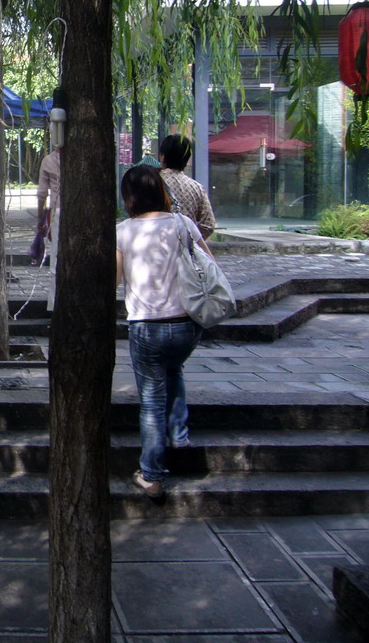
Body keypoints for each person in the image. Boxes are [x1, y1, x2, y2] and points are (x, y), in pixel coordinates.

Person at [116, 164, 211, 499]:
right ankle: (180, 436)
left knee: (152, 400)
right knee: (175, 369)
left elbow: (112, 280)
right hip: (188, 324)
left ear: (128, 196)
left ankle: (153, 475)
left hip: (147, 326)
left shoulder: (124, 231)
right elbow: (208, 265)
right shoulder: (183, 224)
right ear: (160, 190)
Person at [158, 134, 216, 240]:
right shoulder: (197, 188)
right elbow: (208, 225)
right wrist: (189, 240)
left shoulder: (152, 182)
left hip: (156, 247)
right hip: (186, 253)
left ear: (163, 157)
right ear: (187, 158)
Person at [34, 148, 61, 269]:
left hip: (57, 210)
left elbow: (42, 192)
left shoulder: (49, 160)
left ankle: (56, 278)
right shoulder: (81, 159)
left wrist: (40, 215)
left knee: (56, 247)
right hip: (79, 212)